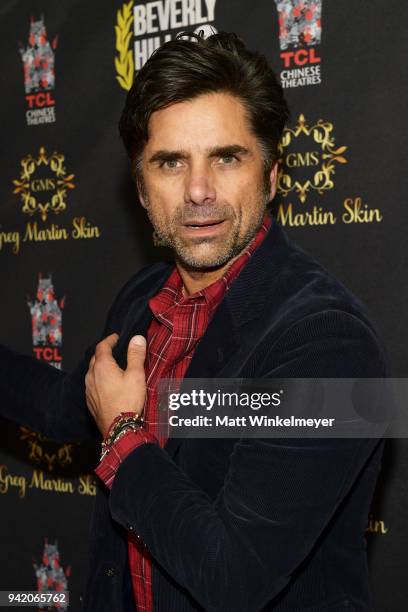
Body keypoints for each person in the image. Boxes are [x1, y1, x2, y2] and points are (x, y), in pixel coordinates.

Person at [0, 32, 387, 611]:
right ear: (140, 187)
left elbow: (234, 578)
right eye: (170, 162)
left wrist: (123, 433)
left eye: (227, 157)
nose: (198, 191)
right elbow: (66, 406)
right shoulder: (145, 296)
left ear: (274, 175)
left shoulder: (329, 342)